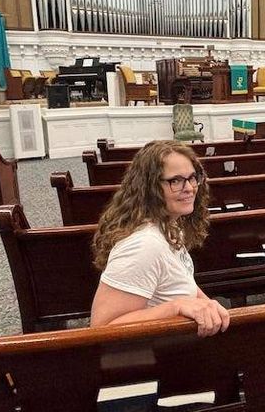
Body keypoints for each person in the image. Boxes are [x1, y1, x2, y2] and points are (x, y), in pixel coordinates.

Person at [90, 140, 230, 336]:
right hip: (153, 357)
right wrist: (176, 307)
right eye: (175, 181)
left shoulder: (168, 224)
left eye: (192, 177)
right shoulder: (144, 245)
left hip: (174, 344)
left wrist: (208, 305)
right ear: (149, 187)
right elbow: (102, 329)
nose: (189, 188)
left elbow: (182, 282)